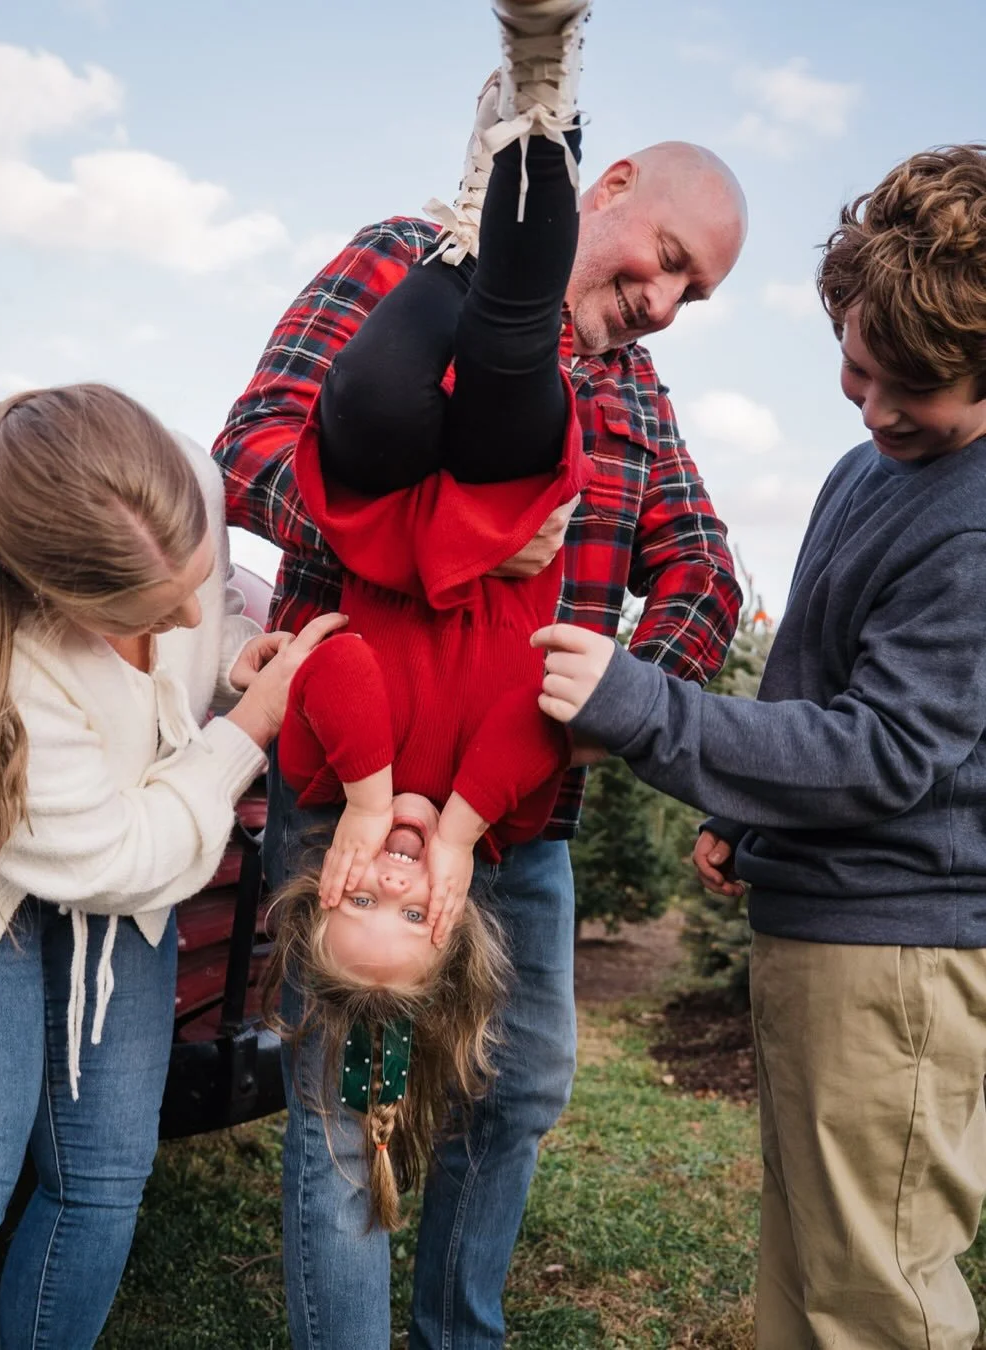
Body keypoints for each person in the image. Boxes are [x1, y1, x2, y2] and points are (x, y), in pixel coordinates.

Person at [214, 0, 746, 1342]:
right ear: (609, 190)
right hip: (354, 794)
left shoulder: (639, 397)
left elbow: (706, 577)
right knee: (345, 1102)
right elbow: (253, 446)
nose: (668, 304)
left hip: (520, 809)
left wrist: (597, 708)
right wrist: (418, 539)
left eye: (697, 294)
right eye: (669, 260)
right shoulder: (401, 258)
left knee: (515, 1092)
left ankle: (460, 1329)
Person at [532, 144, 986, 1350]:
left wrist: (642, 706)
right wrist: (749, 813)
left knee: (877, 1296)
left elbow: (890, 747)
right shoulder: (865, 471)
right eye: (858, 369)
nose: (881, 411)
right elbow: (817, 680)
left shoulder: (978, 519)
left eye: (918, 393)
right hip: (820, 925)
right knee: (808, 1277)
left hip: (898, 953)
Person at [0, 383, 341, 1349]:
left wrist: (233, 653)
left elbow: (210, 604)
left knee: (105, 1174)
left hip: (129, 846)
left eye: (195, 576)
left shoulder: (178, 474)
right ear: (55, 600)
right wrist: (249, 728)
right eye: (155, 607)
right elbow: (120, 855)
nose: (189, 610)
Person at [264, 6, 596, 1230]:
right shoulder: (486, 819)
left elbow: (337, 661)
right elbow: (536, 728)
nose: (396, 878)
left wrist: (367, 794)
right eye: (417, 913)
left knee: (376, 384)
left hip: (383, 518)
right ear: (452, 915)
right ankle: (544, 99)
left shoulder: (330, 769)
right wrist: (457, 828)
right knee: (515, 354)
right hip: (498, 539)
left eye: (363, 899)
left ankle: (464, 231)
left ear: (325, 885)